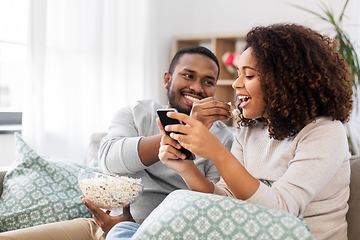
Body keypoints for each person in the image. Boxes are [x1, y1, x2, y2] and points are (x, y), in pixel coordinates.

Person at [0, 46, 234, 240]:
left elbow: (211, 204)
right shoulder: (136, 113)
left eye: (208, 82)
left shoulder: (222, 138)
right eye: (188, 75)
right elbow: (110, 161)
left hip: (170, 233)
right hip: (105, 225)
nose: (197, 87)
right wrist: (174, 137)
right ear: (167, 79)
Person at [158, 23, 352, 240]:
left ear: (284, 82)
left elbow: (283, 210)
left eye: (248, 76)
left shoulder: (325, 132)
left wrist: (216, 152)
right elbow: (226, 198)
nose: (236, 84)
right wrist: (186, 169)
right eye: (238, 74)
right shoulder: (249, 128)